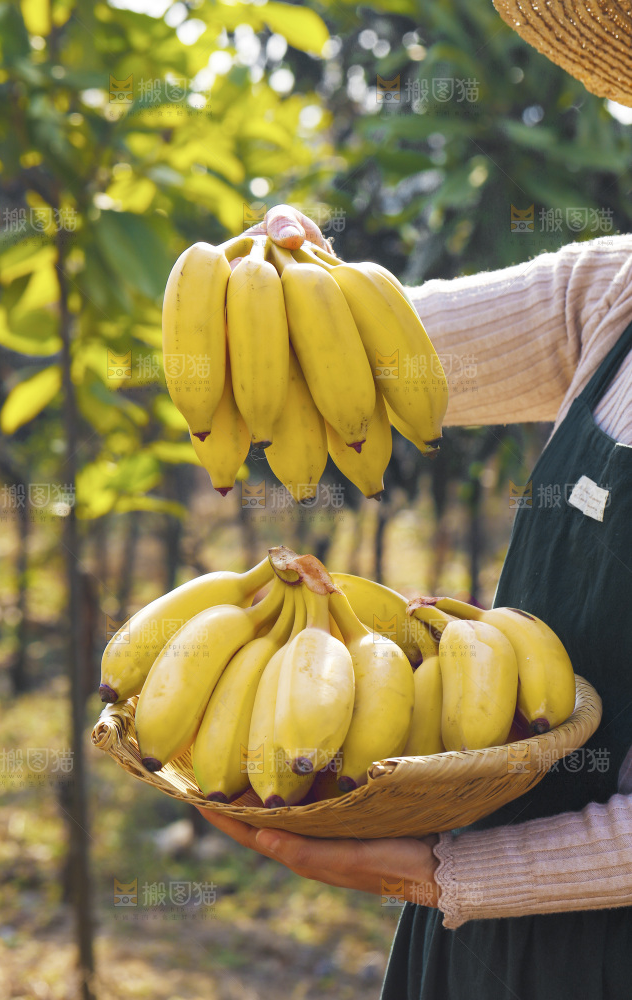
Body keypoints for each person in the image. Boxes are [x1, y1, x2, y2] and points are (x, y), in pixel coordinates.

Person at [197, 4, 632, 997]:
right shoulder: (609, 294)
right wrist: (283, 275)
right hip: (478, 934)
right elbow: (355, 363)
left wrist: (445, 870)